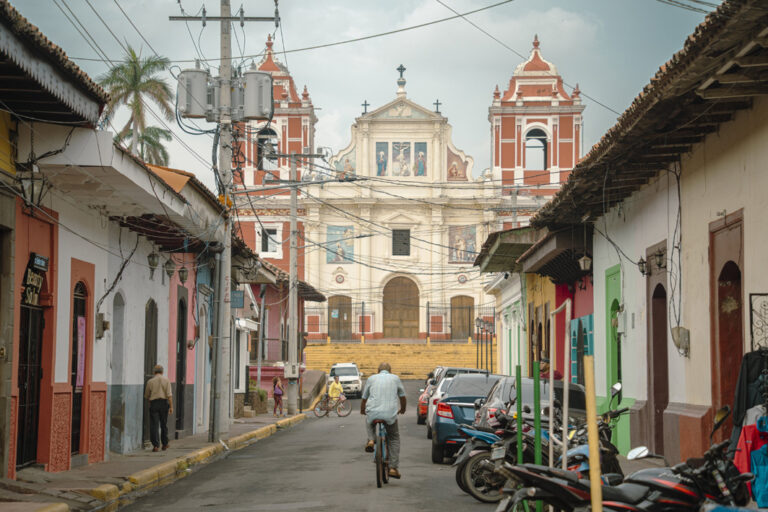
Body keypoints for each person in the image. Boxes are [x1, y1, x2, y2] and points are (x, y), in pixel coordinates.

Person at [361, 362, 406, 479]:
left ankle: (371, 440)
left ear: (378, 371)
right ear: (390, 371)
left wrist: (362, 411)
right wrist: (403, 409)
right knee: (394, 438)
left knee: (368, 420)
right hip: (390, 414)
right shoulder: (395, 378)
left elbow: (364, 398)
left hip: (373, 413)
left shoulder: (371, 378)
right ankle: (393, 468)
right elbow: (402, 396)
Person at [144, 364, 173, 452]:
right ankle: (165, 444)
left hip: (154, 404)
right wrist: (171, 407)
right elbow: (169, 395)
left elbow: (147, 395)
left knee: (154, 425)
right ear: (162, 372)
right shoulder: (166, 380)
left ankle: (156, 445)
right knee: (164, 424)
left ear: (154, 372)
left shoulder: (150, 381)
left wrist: (151, 401)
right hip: (164, 403)